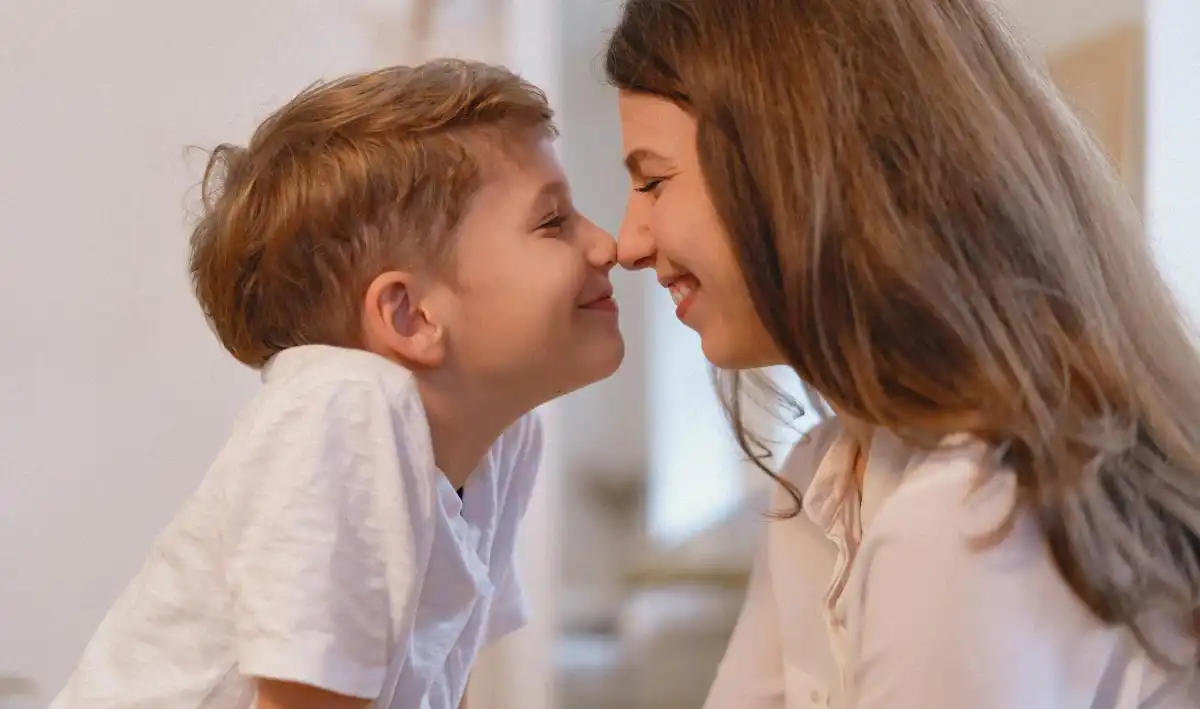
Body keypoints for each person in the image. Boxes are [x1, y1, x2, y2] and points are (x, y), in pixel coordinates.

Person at [604, 0, 1200, 707]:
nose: (627, 242)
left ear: (796, 162)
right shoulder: (819, 481)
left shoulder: (970, 516)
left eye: (653, 180)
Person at [49, 59, 623, 709]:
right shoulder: (342, 407)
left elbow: (441, 678)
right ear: (411, 316)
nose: (608, 245)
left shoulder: (504, 442)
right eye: (553, 222)